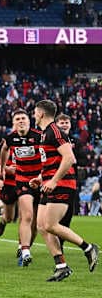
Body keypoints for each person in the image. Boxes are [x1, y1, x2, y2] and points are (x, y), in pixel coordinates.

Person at [30, 100, 99, 281]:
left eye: (35, 112)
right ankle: (61, 266)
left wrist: (53, 180)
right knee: (41, 226)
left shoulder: (55, 131)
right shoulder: (45, 134)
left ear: (41, 114)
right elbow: (51, 162)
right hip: (49, 183)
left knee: (50, 225)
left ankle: (88, 248)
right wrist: (41, 178)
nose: (34, 115)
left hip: (62, 184)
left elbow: (69, 158)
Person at [0, 109, 43, 266]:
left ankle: (24, 246)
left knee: (36, 223)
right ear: (13, 123)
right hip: (23, 181)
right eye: (17, 119)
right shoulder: (10, 138)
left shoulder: (39, 136)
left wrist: (41, 176)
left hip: (40, 181)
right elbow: (4, 149)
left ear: (29, 121)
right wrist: (2, 168)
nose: (21, 121)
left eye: (23, 118)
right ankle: (25, 251)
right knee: (27, 215)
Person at [0, 142, 17, 236]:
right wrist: (7, 169)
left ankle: (23, 247)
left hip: (26, 182)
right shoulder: (6, 143)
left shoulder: (33, 140)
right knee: (9, 218)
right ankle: (4, 221)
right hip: (9, 184)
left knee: (27, 216)